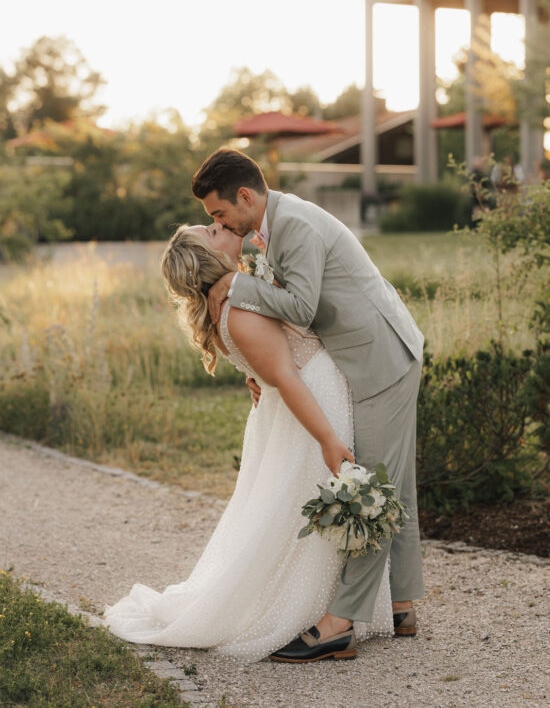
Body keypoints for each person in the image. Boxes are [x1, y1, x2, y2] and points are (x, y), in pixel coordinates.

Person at [102, 223, 394, 663]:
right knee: (304, 504)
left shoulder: (236, 296)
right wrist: (328, 439)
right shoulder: (238, 309)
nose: (221, 227)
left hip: (297, 408)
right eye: (212, 230)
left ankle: (343, 609)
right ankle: (316, 613)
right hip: (311, 406)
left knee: (288, 506)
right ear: (208, 259)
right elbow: (287, 376)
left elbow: (268, 357)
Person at [194, 148, 426, 662]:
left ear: (245, 196)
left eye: (218, 213)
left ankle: (340, 623)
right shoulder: (276, 225)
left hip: (380, 360)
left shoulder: (293, 224)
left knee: (372, 488)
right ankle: (402, 606)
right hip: (375, 354)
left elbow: (300, 305)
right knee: (394, 482)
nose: (219, 222)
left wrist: (237, 283)